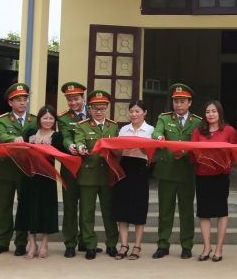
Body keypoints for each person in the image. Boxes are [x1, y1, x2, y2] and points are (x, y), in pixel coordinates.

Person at [151, 83, 201, 259]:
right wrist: (159, 137)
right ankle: (162, 244)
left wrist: (186, 153)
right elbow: (156, 133)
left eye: (182, 101)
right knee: (165, 210)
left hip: (187, 171)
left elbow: (199, 145)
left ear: (189, 102)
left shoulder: (197, 121)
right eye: (176, 101)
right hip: (166, 171)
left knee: (186, 211)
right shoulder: (164, 118)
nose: (178, 105)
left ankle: (186, 245)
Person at [0, 83, 34, 257]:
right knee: (4, 208)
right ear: (10, 103)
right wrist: (14, 139)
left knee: (24, 208)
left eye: (24, 100)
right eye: (18, 100)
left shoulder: (35, 119)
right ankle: (2, 242)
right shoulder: (1, 119)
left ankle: (21, 243)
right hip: (7, 168)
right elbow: (0, 136)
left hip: (26, 170)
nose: (22, 103)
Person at [74, 90, 120, 259]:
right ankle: (90, 245)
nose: (99, 111)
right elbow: (79, 140)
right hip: (88, 174)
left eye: (102, 108)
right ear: (90, 108)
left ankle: (111, 244)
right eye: (95, 108)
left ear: (107, 108)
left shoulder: (113, 126)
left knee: (109, 212)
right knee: (87, 211)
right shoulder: (82, 125)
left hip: (108, 174)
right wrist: (80, 148)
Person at [15, 106, 65, 259]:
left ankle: (44, 243)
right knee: (29, 209)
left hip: (47, 178)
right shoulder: (30, 133)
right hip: (30, 177)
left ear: (54, 120)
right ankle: (32, 243)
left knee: (46, 210)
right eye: (45, 118)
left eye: (51, 118)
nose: (48, 121)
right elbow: (23, 156)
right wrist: (19, 144)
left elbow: (59, 157)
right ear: (39, 120)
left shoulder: (57, 136)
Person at [191, 100, 237, 262]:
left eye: (214, 111)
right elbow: (193, 154)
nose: (211, 114)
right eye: (208, 111)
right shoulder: (198, 131)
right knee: (204, 212)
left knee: (221, 212)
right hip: (202, 175)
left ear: (220, 113)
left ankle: (219, 248)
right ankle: (206, 247)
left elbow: (234, 153)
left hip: (220, 176)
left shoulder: (229, 130)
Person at [112, 99, 153, 261]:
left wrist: (138, 142)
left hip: (141, 168)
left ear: (145, 113)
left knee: (138, 207)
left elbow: (147, 151)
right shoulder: (124, 129)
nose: (134, 114)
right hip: (125, 167)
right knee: (123, 207)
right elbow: (119, 153)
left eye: (137, 111)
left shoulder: (150, 130)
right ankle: (123, 245)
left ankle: (137, 245)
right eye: (131, 111)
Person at [57, 81, 91, 258]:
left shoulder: (95, 113)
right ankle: (70, 243)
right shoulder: (63, 118)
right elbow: (65, 137)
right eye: (69, 100)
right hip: (70, 167)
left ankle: (86, 242)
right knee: (70, 205)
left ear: (83, 98)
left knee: (87, 205)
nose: (73, 103)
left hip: (90, 167)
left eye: (76, 99)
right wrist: (71, 146)